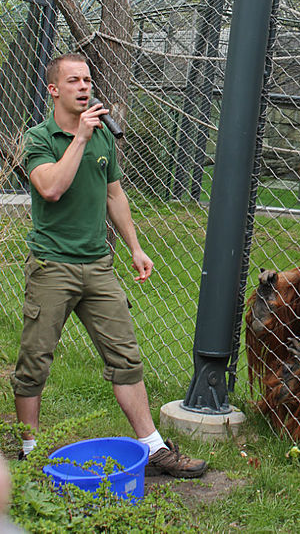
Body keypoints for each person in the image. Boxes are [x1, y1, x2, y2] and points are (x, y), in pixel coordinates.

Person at [11, 53, 206, 479]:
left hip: (98, 266)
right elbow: (51, 189)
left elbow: (115, 195)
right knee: (35, 362)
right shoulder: (39, 138)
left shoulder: (102, 137)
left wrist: (135, 247)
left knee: (126, 357)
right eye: (74, 80)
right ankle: (30, 447)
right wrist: (79, 137)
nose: (84, 87)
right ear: (54, 90)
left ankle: (153, 449)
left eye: (87, 79)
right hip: (52, 267)